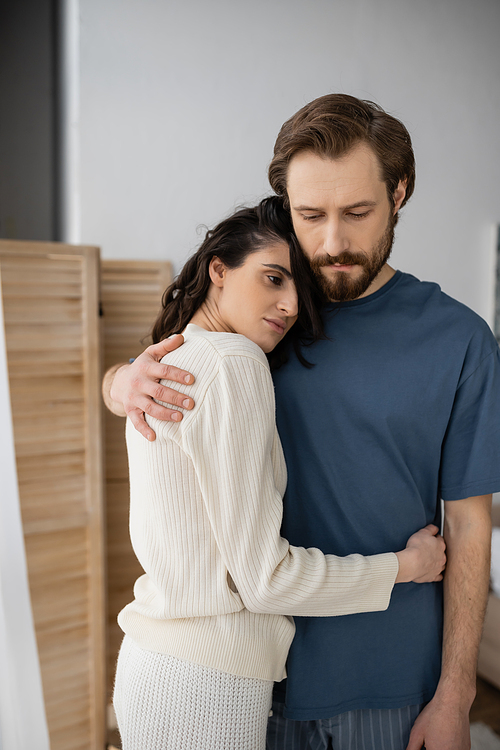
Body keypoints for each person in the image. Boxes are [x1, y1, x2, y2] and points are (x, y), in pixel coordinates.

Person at [104, 95, 500, 750]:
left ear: (398, 193)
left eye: (358, 213)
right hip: (246, 681)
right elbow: (173, 371)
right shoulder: (262, 314)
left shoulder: (458, 339)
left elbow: (468, 520)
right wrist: (119, 382)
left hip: (390, 681)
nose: (333, 241)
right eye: (310, 215)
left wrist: (456, 694)